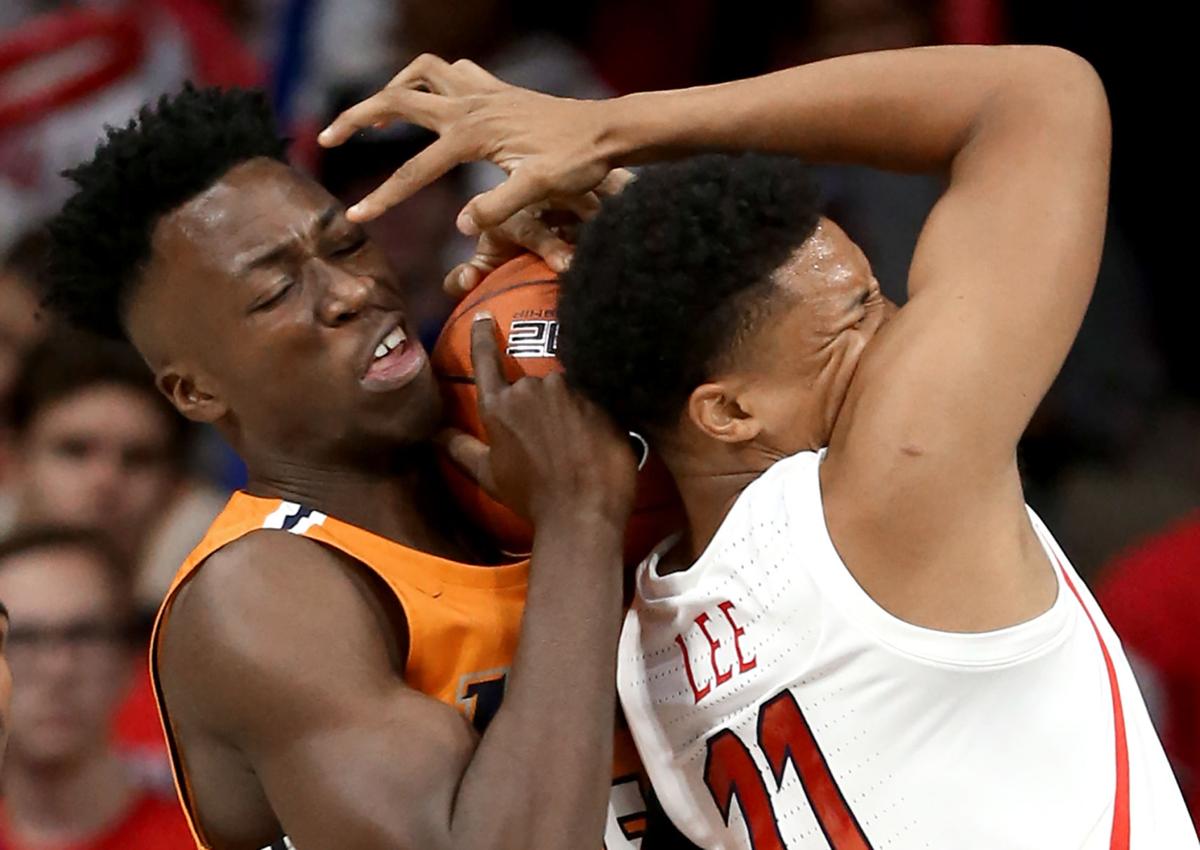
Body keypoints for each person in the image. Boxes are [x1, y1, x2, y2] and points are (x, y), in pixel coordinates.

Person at [319, 46, 1196, 847]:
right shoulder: (895, 492)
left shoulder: (650, 645)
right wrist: (605, 127)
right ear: (727, 411)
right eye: (856, 312)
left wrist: (639, 237)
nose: (900, 326)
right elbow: (1039, 96)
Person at [42, 84, 651, 850]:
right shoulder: (255, 598)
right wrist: (580, 522)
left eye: (346, 244)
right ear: (195, 390)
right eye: (276, 292)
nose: (356, 292)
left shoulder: (535, 434)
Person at [0, 527, 193, 849]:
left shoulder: (200, 842)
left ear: (129, 657)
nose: (57, 668)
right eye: (21, 638)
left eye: (85, 635)